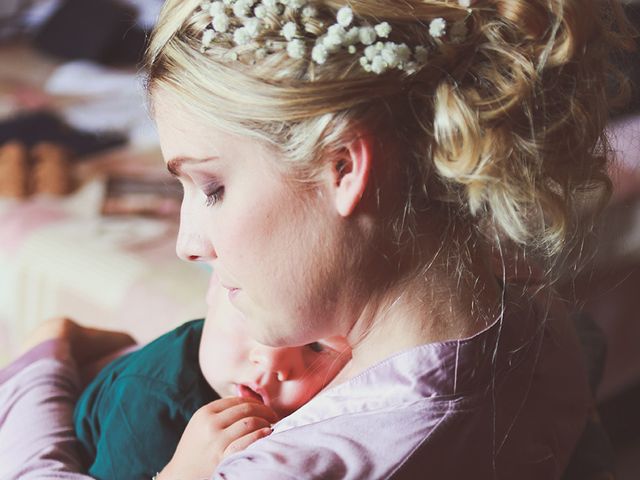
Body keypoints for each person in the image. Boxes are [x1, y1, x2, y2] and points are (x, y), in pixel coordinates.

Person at [0, 0, 632, 479]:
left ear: (344, 168)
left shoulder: (293, 464)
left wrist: (37, 364)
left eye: (211, 186)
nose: (188, 243)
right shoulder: (540, 326)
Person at [73, 272, 350, 480]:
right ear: (214, 287)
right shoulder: (148, 402)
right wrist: (185, 472)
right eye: (250, 317)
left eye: (315, 345)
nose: (269, 359)